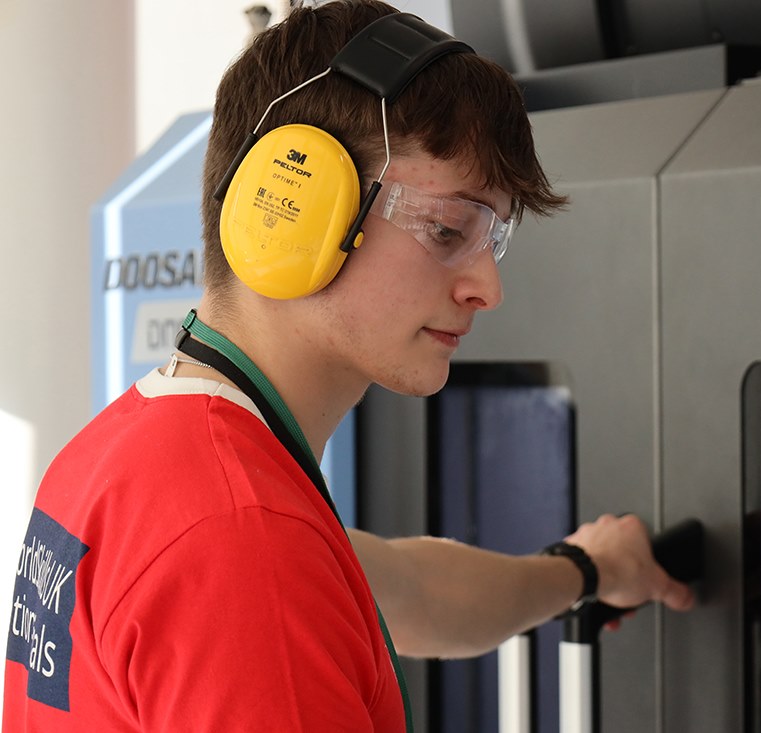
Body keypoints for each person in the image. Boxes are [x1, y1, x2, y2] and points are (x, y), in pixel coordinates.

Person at [3, 2, 694, 730]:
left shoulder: (125, 458)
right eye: (449, 228)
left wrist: (585, 569)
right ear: (296, 209)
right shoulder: (244, 540)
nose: (487, 288)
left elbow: (409, 588)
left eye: (492, 240)